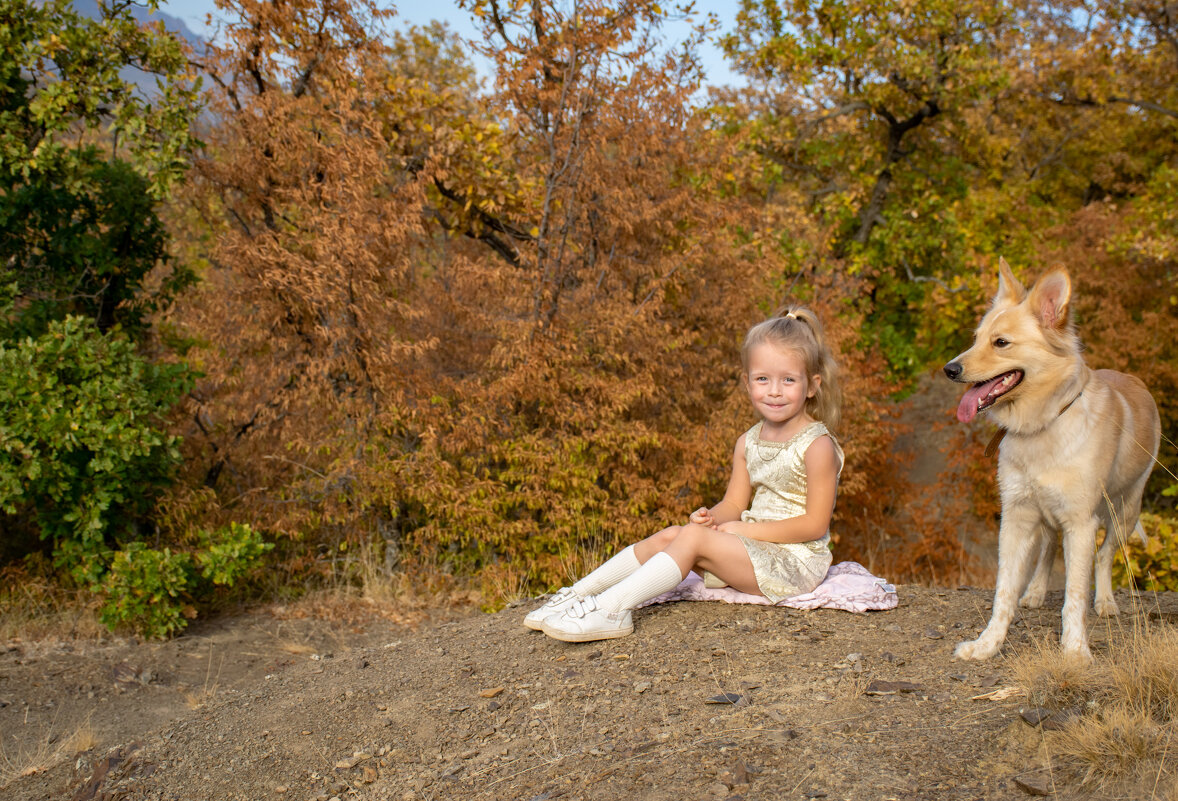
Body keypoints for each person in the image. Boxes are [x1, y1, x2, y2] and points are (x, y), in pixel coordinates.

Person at [524, 306, 844, 642]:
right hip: (751, 548)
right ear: (747, 381)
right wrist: (712, 518)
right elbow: (734, 503)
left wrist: (744, 531)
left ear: (811, 385)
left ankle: (612, 610)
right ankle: (576, 596)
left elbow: (814, 525)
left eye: (788, 380)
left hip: (794, 561)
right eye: (763, 379)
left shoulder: (816, 444)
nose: (774, 391)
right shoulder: (748, 441)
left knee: (691, 538)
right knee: (675, 534)